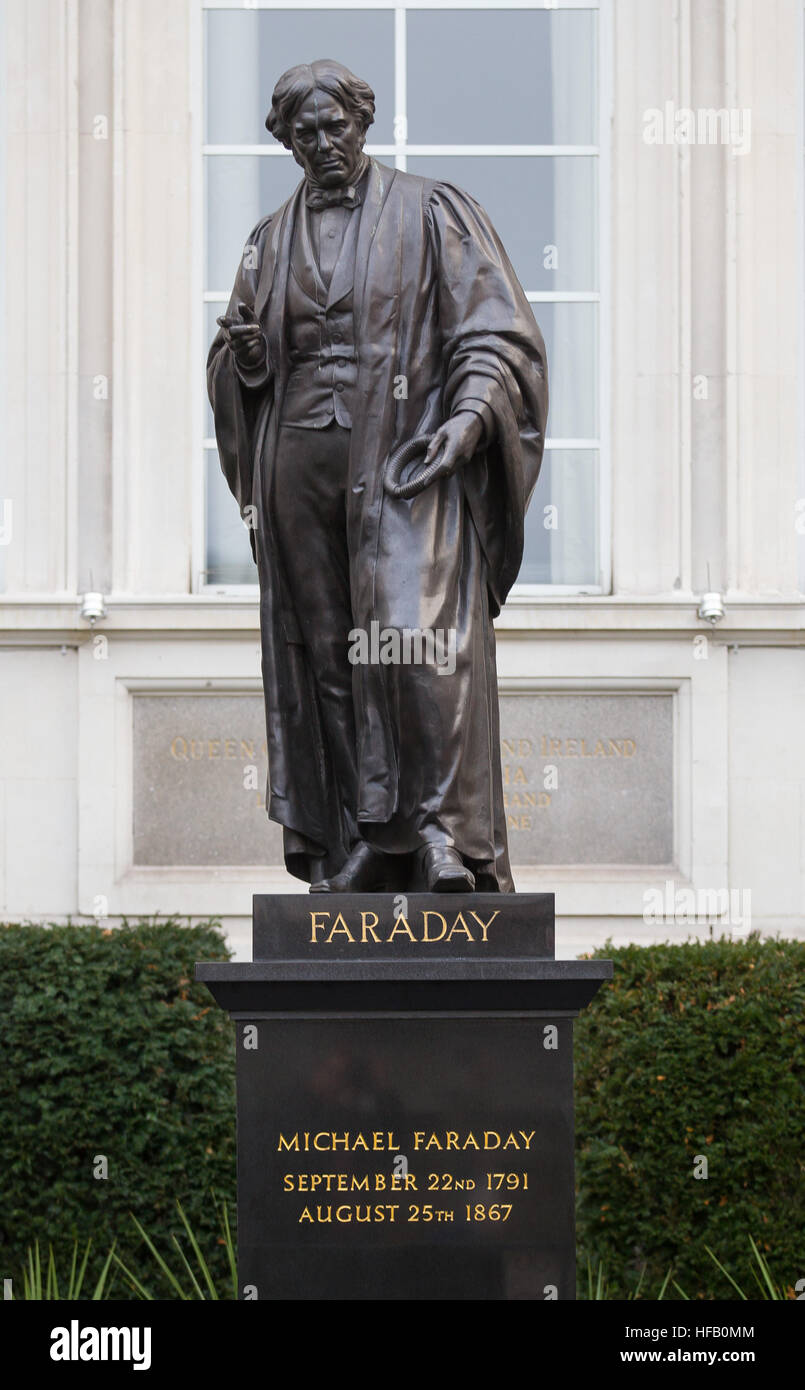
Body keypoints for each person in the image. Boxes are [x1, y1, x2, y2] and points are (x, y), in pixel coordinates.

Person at [207, 59, 548, 894]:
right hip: (298, 464)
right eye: (304, 133)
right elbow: (236, 354)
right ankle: (365, 836)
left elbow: (493, 335)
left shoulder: (433, 212)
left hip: (404, 462)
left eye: (337, 126)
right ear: (284, 141)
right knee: (327, 653)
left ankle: (438, 834)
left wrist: (466, 424)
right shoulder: (268, 239)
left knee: (412, 643)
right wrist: (247, 362)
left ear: (363, 123)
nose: (324, 143)